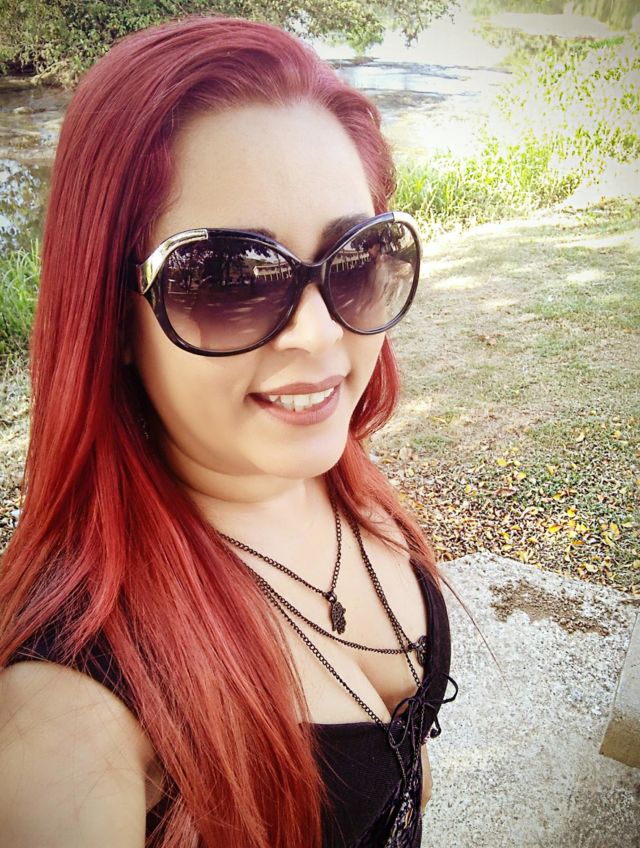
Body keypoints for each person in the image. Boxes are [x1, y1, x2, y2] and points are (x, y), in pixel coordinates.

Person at [0, 15, 458, 848]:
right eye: (227, 278)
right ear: (112, 317)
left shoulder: (336, 483)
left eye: (358, 257)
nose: (318, 334)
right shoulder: (66, 721)